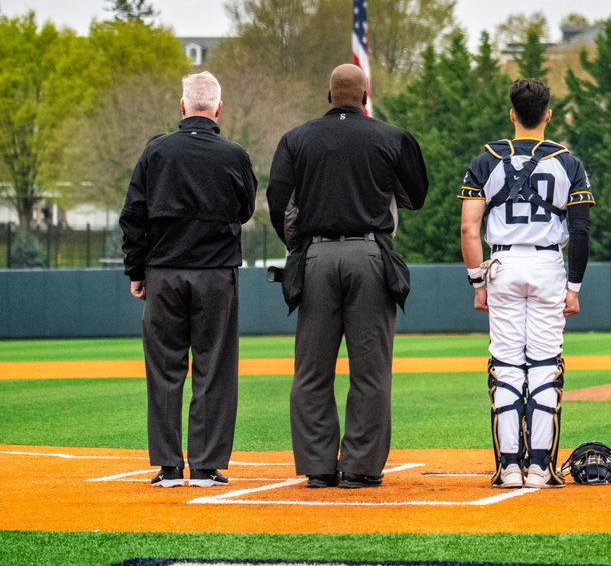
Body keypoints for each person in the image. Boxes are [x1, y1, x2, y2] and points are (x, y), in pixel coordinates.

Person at [267, 64, 428, 490]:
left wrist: (299, 244)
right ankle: (360, 468)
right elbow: (418, 196)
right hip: (370, 254)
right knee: (371, 371)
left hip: (316, 254)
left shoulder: (296, 139)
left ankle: (319, 468)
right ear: (366, 95)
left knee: (311, 370)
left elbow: (276, 201)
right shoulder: (392, 137)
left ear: (328, 94)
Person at [120, 71, 256, 488]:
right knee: (214, 368)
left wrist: (136, 270)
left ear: (182, 106)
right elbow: (246, 210)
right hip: (216, 275)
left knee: (165, 369)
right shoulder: (233, 154)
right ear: (218, 108)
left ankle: (167, 467)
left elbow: (133, 216)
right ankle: (205, 466)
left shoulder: (156, 152)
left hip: (164, 273)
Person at [459, 78, 594, 489]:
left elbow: (469, 229)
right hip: (549, 264)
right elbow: (582, 229)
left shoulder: (484, 160)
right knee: (543, 365)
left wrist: (477, 281)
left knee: (505, 365)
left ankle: (509, 467)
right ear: (548, 115)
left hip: (501, 263)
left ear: (512, 114)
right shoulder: (569, 163)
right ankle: (540, 467)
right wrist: (575, 287)